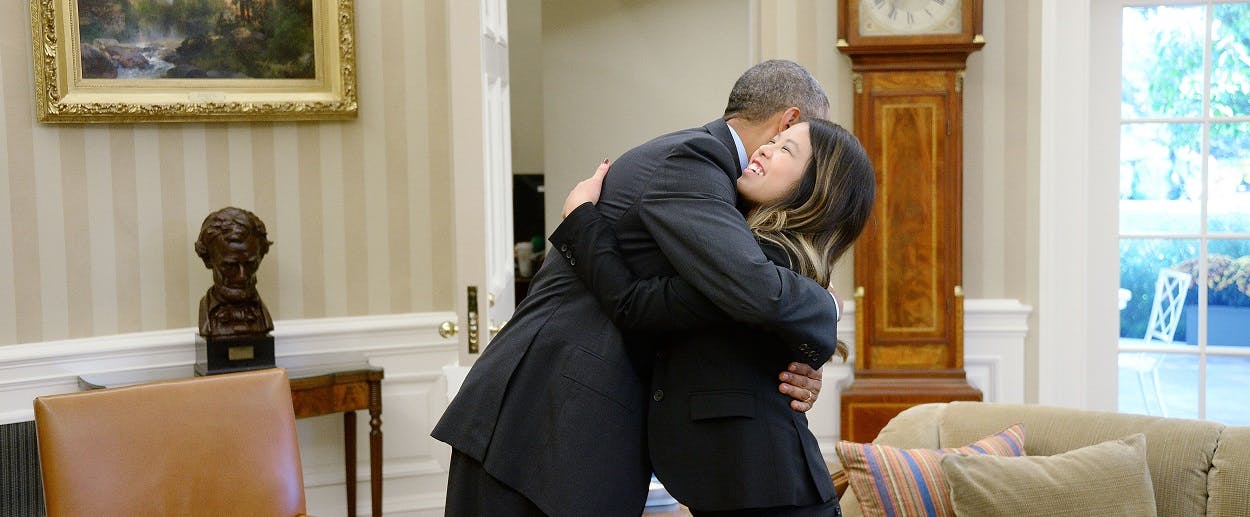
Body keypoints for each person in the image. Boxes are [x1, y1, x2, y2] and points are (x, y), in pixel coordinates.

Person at [432, 60, 842, 516]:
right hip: (538, 417)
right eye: (800, 139)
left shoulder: (727, 189)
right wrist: (827, 307)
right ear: (788, 121)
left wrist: (799, 359)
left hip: (570, 424)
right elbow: (753, 286)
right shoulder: (696, 160)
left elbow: (716, 305)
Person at [557, 117, 875, 515]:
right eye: (774, 139)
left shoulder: (761, 263)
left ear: (815, 191)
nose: (765, 148)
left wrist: (580, 219)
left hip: (769, 495)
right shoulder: (767, 258)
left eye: (785, 149)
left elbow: (635, 305)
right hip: (754, 490)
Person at [194, 206, 274, 338]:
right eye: (230, 266)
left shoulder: (263, 317)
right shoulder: (207, 315)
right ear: (208, 260)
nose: (242, 276)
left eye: (250, 264)